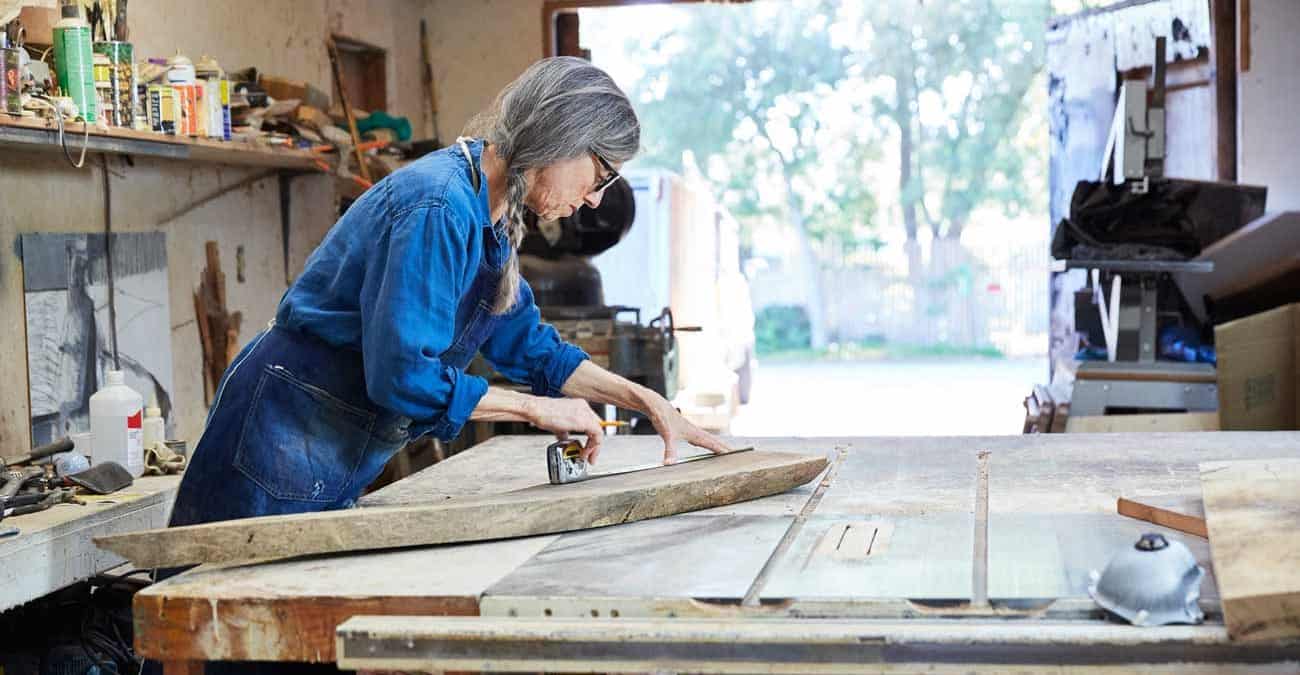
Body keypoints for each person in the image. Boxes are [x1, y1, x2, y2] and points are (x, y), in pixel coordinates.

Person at [168, 57, 732, 528]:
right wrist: (536, 408)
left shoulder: (494, 213)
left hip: (326, 448)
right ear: (560, 138)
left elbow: (529, 345)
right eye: (600, 174)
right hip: (277, 438)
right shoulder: (437, 206)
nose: (593, 200)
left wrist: (647, 402)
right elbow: (403, 378)